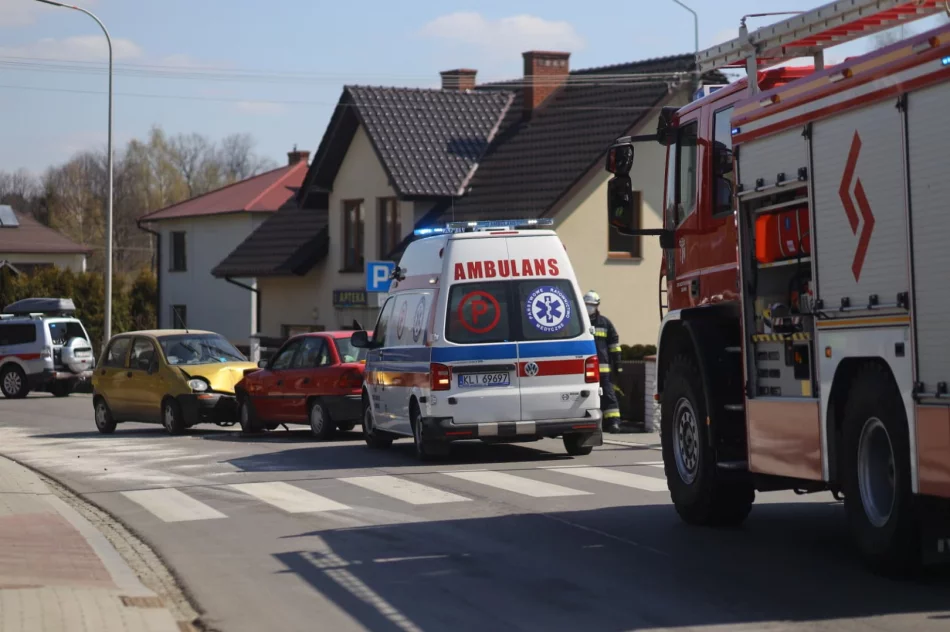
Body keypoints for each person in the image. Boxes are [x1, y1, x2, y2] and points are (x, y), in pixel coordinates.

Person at [584, 290, 623, 433]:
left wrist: (618, 364)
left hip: (603, 370)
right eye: (587, 305)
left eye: (592, 305)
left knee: (608, 395)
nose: (589, 308)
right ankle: (592, 424)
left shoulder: (605, 323)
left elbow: (614, 345)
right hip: (584, 370)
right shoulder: (580, 323)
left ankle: (613, 423)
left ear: (597, 305)